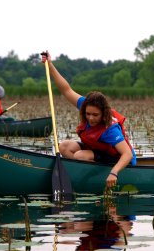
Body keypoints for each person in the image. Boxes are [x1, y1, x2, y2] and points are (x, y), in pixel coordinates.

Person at [41, 51, 136, 188]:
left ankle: (88, 178)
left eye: (95, 115)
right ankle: (79, 174)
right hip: (96, 150)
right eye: (88, 114)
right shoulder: (86, 105)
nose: (90, 118)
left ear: (103, 114)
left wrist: (114, 173)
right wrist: (50, 65)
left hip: (116, 158)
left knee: (80, 155)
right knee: (64, 146)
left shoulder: (111, 129)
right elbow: (67, 90)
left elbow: (127, 154)